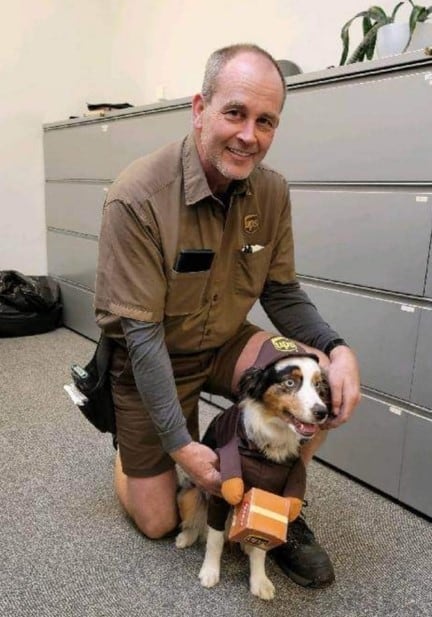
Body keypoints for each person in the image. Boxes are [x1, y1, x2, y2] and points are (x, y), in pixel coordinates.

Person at [94, 43, 361, 588]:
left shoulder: (272, 191)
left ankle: (277, 504)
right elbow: (142, 342)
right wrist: (177, 444)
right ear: (200, 109)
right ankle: (131, 446)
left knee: (311, 372)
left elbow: (283, 292)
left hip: (225, 340)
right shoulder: (138, 197)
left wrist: (338, 348)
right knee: (159, 521)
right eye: (235, 112)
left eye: (266, 121)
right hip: (152, 354)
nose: (249, 135)